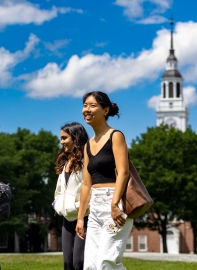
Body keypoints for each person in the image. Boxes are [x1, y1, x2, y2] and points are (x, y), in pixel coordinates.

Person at [75, 91, 133, 270]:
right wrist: (79, 218)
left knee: (106, 264)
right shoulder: (87, 145)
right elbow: (86, 183)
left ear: (105, 110)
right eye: (85, 105)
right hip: (95, 207)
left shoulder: (115, 136)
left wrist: (115, 204)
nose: (87, 110)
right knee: (91, 266)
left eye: (92, 106)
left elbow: (123, 172)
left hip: (114, 202)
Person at [54, 122, 90, 270]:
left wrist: (77, 207)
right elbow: (59, 189)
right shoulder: (66, 161)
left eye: (64, 138)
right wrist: (57, 204)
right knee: (67, 263)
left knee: (79, 262)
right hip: (67, 218)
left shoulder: (87, 160)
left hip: (84, 216)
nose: (61, 142)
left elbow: (90, 189)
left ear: (75, 138)